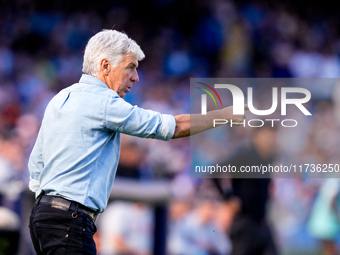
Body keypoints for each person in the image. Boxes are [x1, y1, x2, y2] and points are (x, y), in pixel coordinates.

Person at [27, 29, 248, 255]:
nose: (136, 77)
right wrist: (224, 115)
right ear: (105, 66)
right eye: (130, 67)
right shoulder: (104, 102)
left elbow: (36, 165)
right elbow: (174, 127)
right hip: (70, 220)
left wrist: (52, 207)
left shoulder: (60, 98)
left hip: (42, 216)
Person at [213, 123, 278, 255]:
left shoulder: (268, 159)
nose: (270, 139)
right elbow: (215, 172)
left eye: (273, 135)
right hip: (245, 223)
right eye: (267, 134)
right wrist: (229, 198)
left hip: (262, 222)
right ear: (256, 136)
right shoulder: (246, 155)